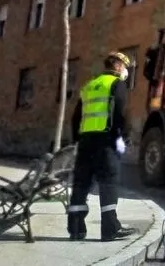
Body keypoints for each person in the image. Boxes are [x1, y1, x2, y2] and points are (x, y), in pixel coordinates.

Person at [66, 51, 138, 241]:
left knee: (81, 184)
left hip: (85, 142)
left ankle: (76, 229)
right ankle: (110, 229)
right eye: (125, 66)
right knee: (108, 183)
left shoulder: (89, 85)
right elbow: (120, 112)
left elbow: (75, 117)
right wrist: (124, 136)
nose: (125, 71)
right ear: (118, 66)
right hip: (106, 142)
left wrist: (76, 141)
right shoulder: (116, 84)